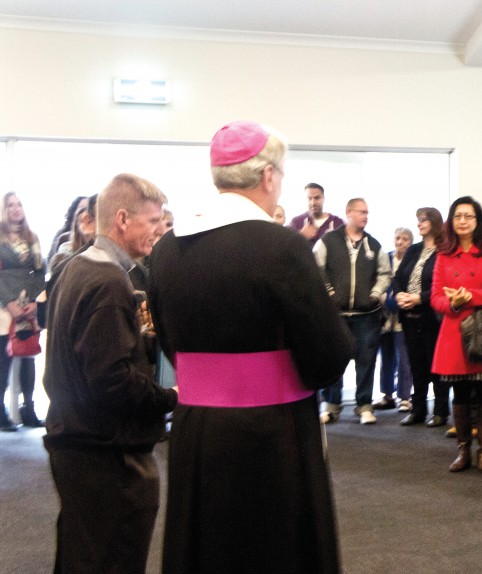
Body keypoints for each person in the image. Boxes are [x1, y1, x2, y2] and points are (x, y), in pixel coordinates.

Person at [149, 121, 352, 574]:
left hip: (196, 430)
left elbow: (168, 344)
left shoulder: (166, 248)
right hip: (271, 436)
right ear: (268, 177)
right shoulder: (282, 247)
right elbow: (328, 356)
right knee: (270, 551)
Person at [43, 174, 178, 572]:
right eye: (153, 221)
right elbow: (112, 380)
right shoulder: (108, 281)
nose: (159, 230)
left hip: (77, 445)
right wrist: (173, 398)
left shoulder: (77, 267)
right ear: (122, 219)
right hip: (106, 456)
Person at [431, 196, 482, 474]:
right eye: (458, 216)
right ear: (451, 222)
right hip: (454, 332)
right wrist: (452, 303)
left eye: (469, 216)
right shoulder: (443, 254)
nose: (463, 221)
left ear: (478, 221)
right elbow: (436, 297)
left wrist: (467, 296)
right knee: (460, 395)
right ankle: (463, 450)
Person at [315, 197, 391, 425]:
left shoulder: (374, 245)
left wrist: (375, 295)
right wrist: (329, 293)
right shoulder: (328, 240)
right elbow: (317, 268)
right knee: (334, 360)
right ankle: (331, 405)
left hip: (366, 316)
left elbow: (385, 274)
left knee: (366, 361)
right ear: (348, 212)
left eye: (367, 212)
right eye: (361, 212)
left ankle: (364, 406)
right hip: (335, 316)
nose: (365, 216)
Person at [394, 207, 450, 427]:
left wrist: (418, 298)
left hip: (432, 316)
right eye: (418, 220)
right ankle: (418, 410)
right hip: (409, 316)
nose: (419, 224)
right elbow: (398, 277)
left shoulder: (445, 250)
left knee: (436, 366)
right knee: (416, 365)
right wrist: (399, 294)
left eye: (423, 220)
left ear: (435, 223)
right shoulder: (414, 249)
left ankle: (440, 411)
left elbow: (445, 286)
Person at [0, 192, 46, 430]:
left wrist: (35, 303)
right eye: (10, 205)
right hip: (3, 307)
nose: (15, 209)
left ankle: (28, 409)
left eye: (19, 204)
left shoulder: (32, 237)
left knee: (28, 356)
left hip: (28, 304)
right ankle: (0, 412)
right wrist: (8, 302)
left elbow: (39, 271)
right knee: (2, 359)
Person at [376, 227, 414, 412]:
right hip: (384, 315)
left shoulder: (413, 260)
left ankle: (405, 397)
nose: (401, 242)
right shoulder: (386, 258)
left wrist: (399, 300)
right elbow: (378, 280)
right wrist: (384, 298)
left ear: (410, 242)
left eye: (405, 239)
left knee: (404, 357)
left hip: (403, 315)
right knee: (386, 356)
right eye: (398, 238)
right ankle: (387, 394)